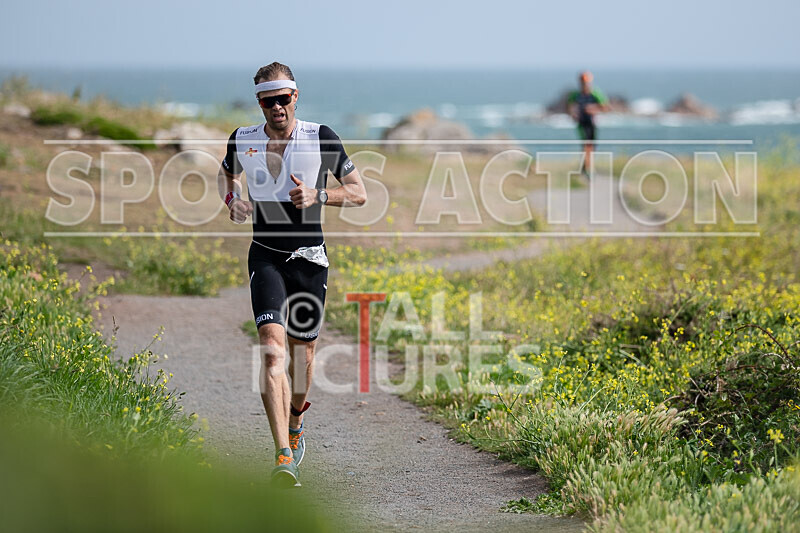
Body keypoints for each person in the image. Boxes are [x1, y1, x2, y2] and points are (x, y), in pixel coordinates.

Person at [217, 62, 367, 487]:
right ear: (259, 103)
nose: (277, 107)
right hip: (264, 256)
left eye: (283, 99)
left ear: (295, 97)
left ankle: (297, 419)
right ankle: (283, 454)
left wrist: (320, 193)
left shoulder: (320, 137)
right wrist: (232, 198)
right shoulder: (243, 139)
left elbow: (359, 193)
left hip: (309, 260)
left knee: (302, 361)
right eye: (268, 100)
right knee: (271, 350)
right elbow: (226, 173)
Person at [567, 71, 609, 177]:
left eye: (586, 82)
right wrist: (573, 114)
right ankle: (588, 169)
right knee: (586, 145)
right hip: (581, 123)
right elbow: (569, 105)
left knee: (592, 146)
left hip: (592, 122)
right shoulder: (576, 95)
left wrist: (593, 109)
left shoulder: (595, 93)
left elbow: (605, 107)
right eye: (582, 82)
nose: (584, 84)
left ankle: (585, 167)